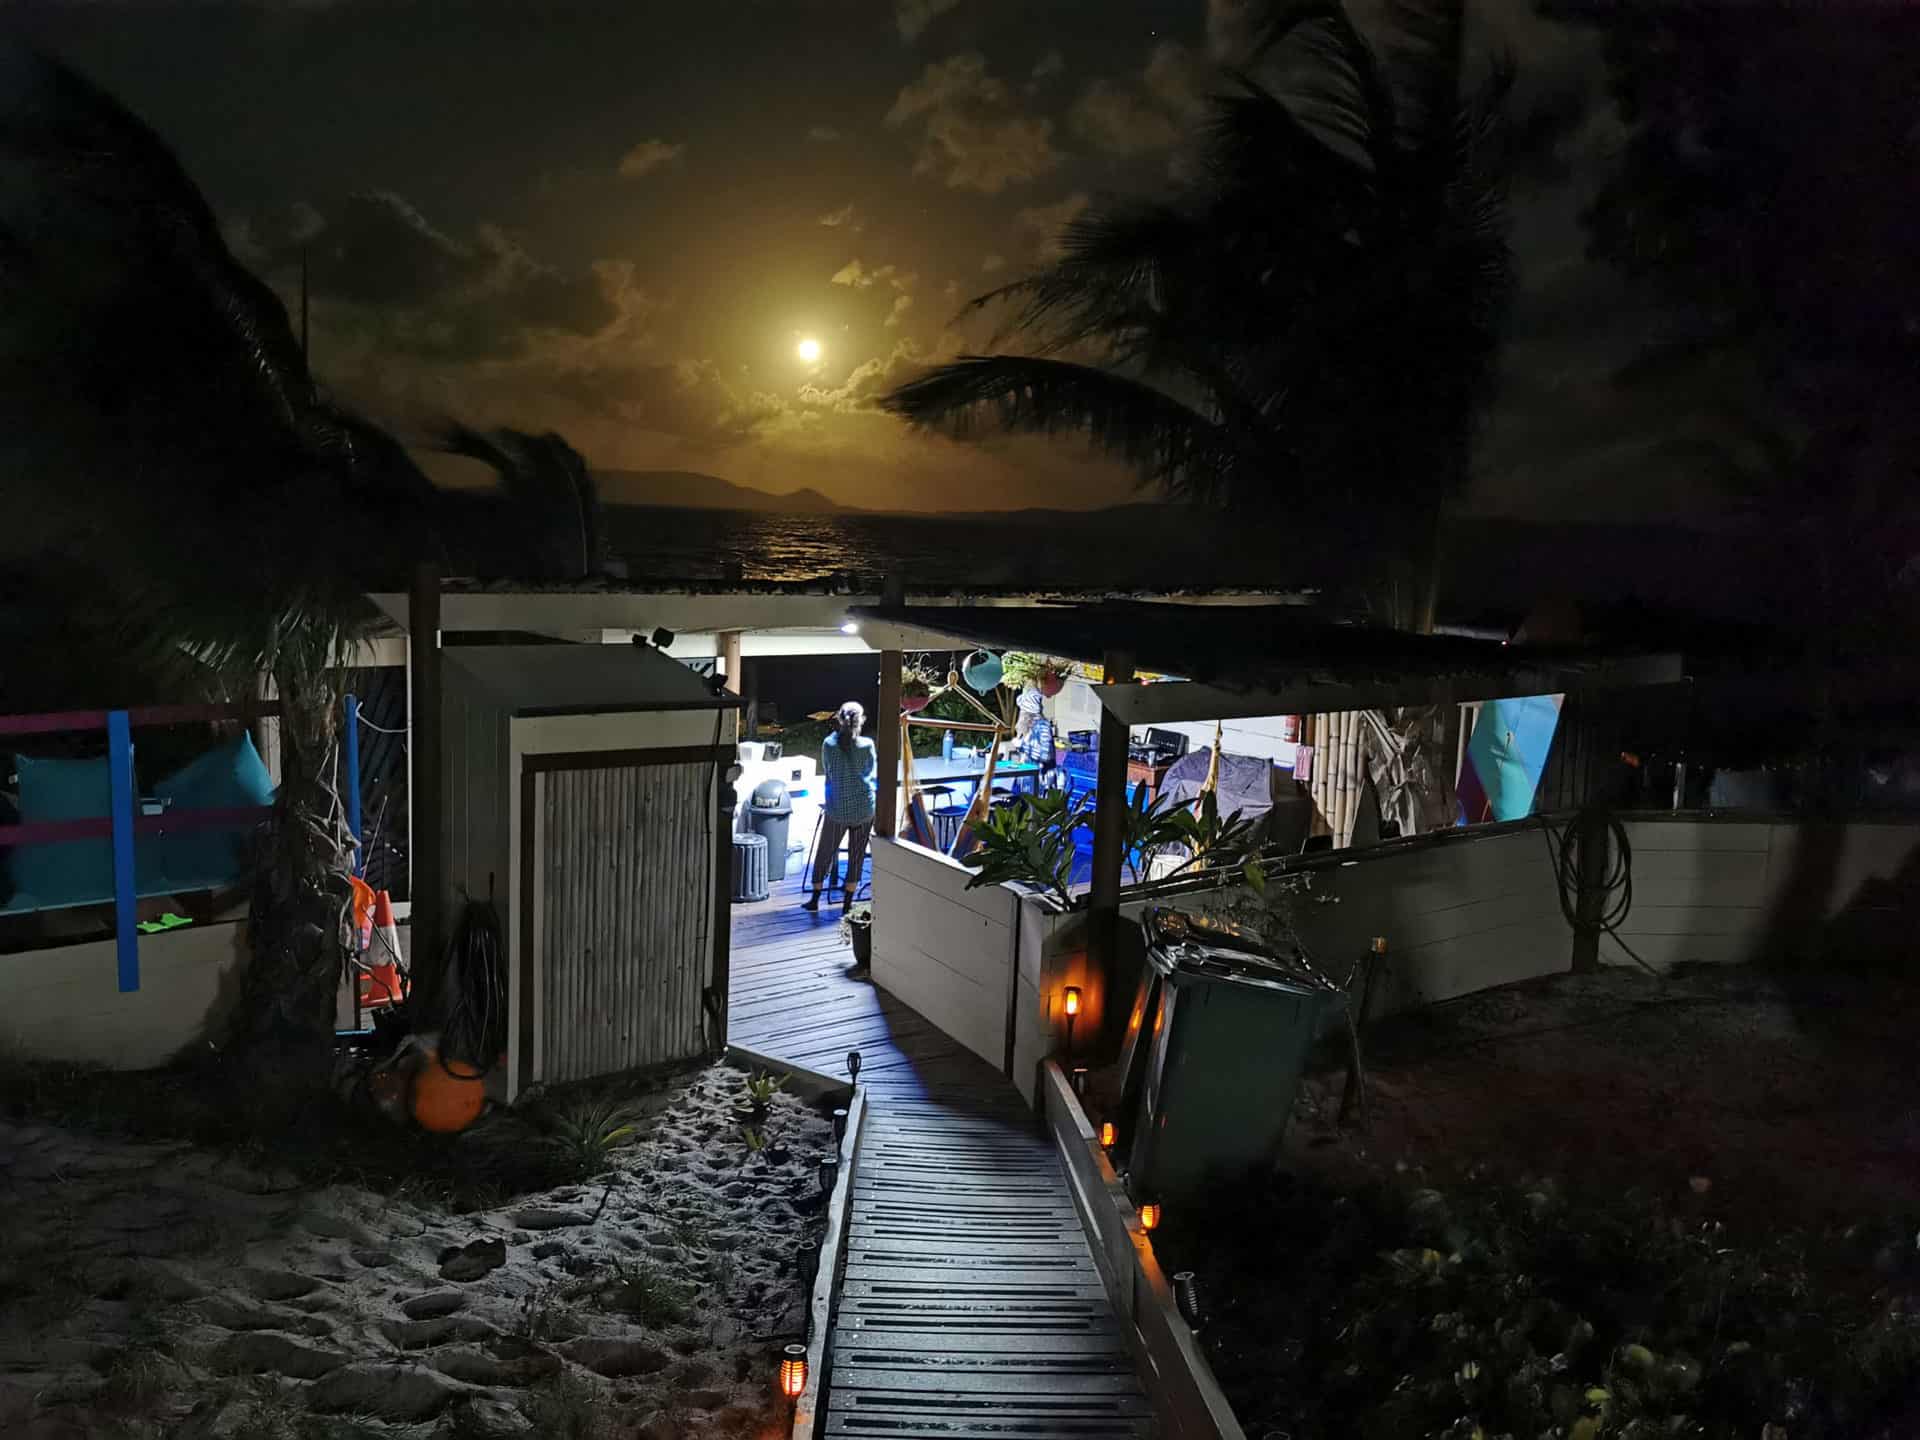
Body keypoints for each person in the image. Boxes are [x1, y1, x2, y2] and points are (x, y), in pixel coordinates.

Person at [804, 701, 876, 911]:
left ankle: (815, 899)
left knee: (825, 851)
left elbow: (828, 771)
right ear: (861, 721)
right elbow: (871, 772)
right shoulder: (867, 745)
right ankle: (847, 905)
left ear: (839, 720)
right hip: (864, 809)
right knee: (856, 856)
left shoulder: (829, 744)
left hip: (837, 809)